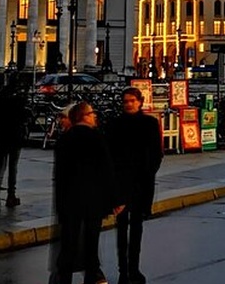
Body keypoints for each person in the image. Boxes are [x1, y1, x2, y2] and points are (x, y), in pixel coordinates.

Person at [53, 102, 122, 284]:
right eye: (91, 113)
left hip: (69, 200)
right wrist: (115, 199)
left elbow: (60, 175)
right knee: (91, 242)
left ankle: (65, 278)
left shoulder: (65, 139)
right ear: (83, 116)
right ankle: (91, 277)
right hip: (93, 199)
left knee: (69, 243)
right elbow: (107, 170)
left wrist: (60, 204)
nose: (94, 116)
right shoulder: (96, 137)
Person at [107, 87, 163, 284]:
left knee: (137, 227)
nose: (129, 104)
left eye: (132, 100)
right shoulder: (115, 124)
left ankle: (134, 268)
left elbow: (156, 153)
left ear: (140, 102)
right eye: (125, 101)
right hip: (121, 183)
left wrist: (149, 171)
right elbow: (109, 154)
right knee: (122, 229)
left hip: (141, 182)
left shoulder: (149, 123)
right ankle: (123, 270)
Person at [0, 74, 30, 207]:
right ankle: (11, 195)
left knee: (1, 165)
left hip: (1, 135)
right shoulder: (19, 98)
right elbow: (24, 115)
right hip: (15, 135)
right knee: (13, 167)